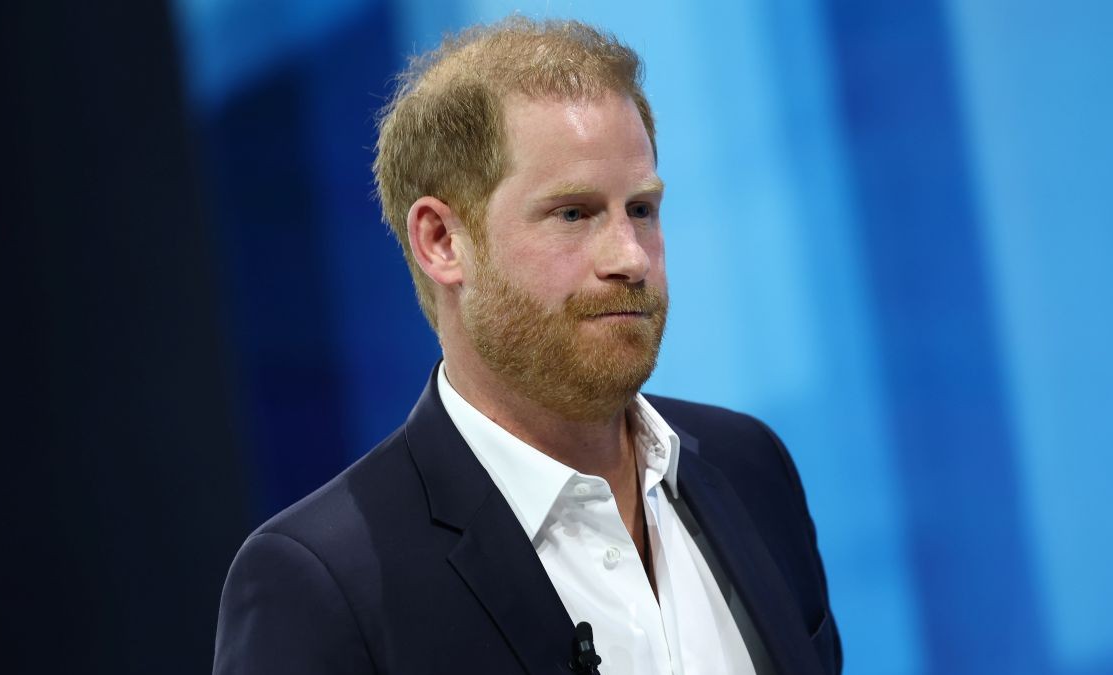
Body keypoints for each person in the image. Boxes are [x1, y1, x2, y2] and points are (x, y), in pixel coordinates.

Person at [214, 18, 840, 675]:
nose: (629, 256)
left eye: (642, 210)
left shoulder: (752, 470)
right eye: (573, 213)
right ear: (442, 241)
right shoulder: (321, 582)